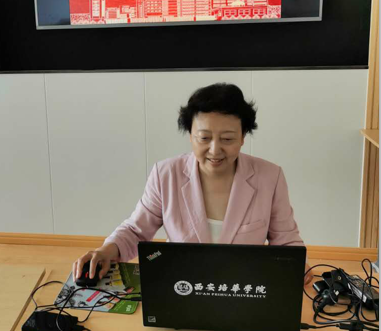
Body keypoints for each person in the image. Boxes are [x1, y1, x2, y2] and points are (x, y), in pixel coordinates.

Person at [73, 83, 313, 284]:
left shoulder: (269, 177)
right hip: (182, 286)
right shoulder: (166, 174)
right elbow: (136, 230)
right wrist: (106, 251)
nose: (215, 150)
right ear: (190, 135)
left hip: (243, 288)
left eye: (227, 139)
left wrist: (298, 266)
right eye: (204, 138)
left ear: (242, 137)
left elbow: (286, 240)